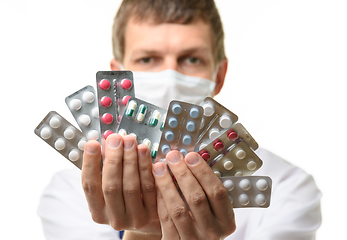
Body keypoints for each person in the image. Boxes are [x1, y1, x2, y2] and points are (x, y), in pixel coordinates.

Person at [38, 0, 322, 239]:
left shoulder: (288, 187)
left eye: (191, 59)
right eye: (148, 59)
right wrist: (142, 234)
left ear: (219, 75)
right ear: (119, 75)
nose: (170, 76)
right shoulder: (69, 192)